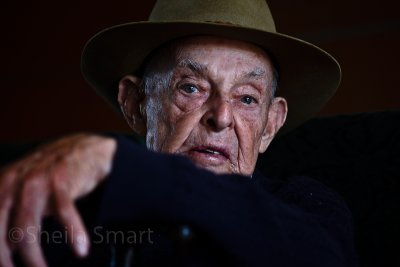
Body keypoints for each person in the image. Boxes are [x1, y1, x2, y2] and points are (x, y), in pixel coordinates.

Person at [0, 0, 358, 266]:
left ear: (270, 124)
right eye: (191, 88)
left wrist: (127, 165)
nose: (220, 117)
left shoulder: (306, 208)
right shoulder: (60, 208)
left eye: (247, 98)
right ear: (135, 104)